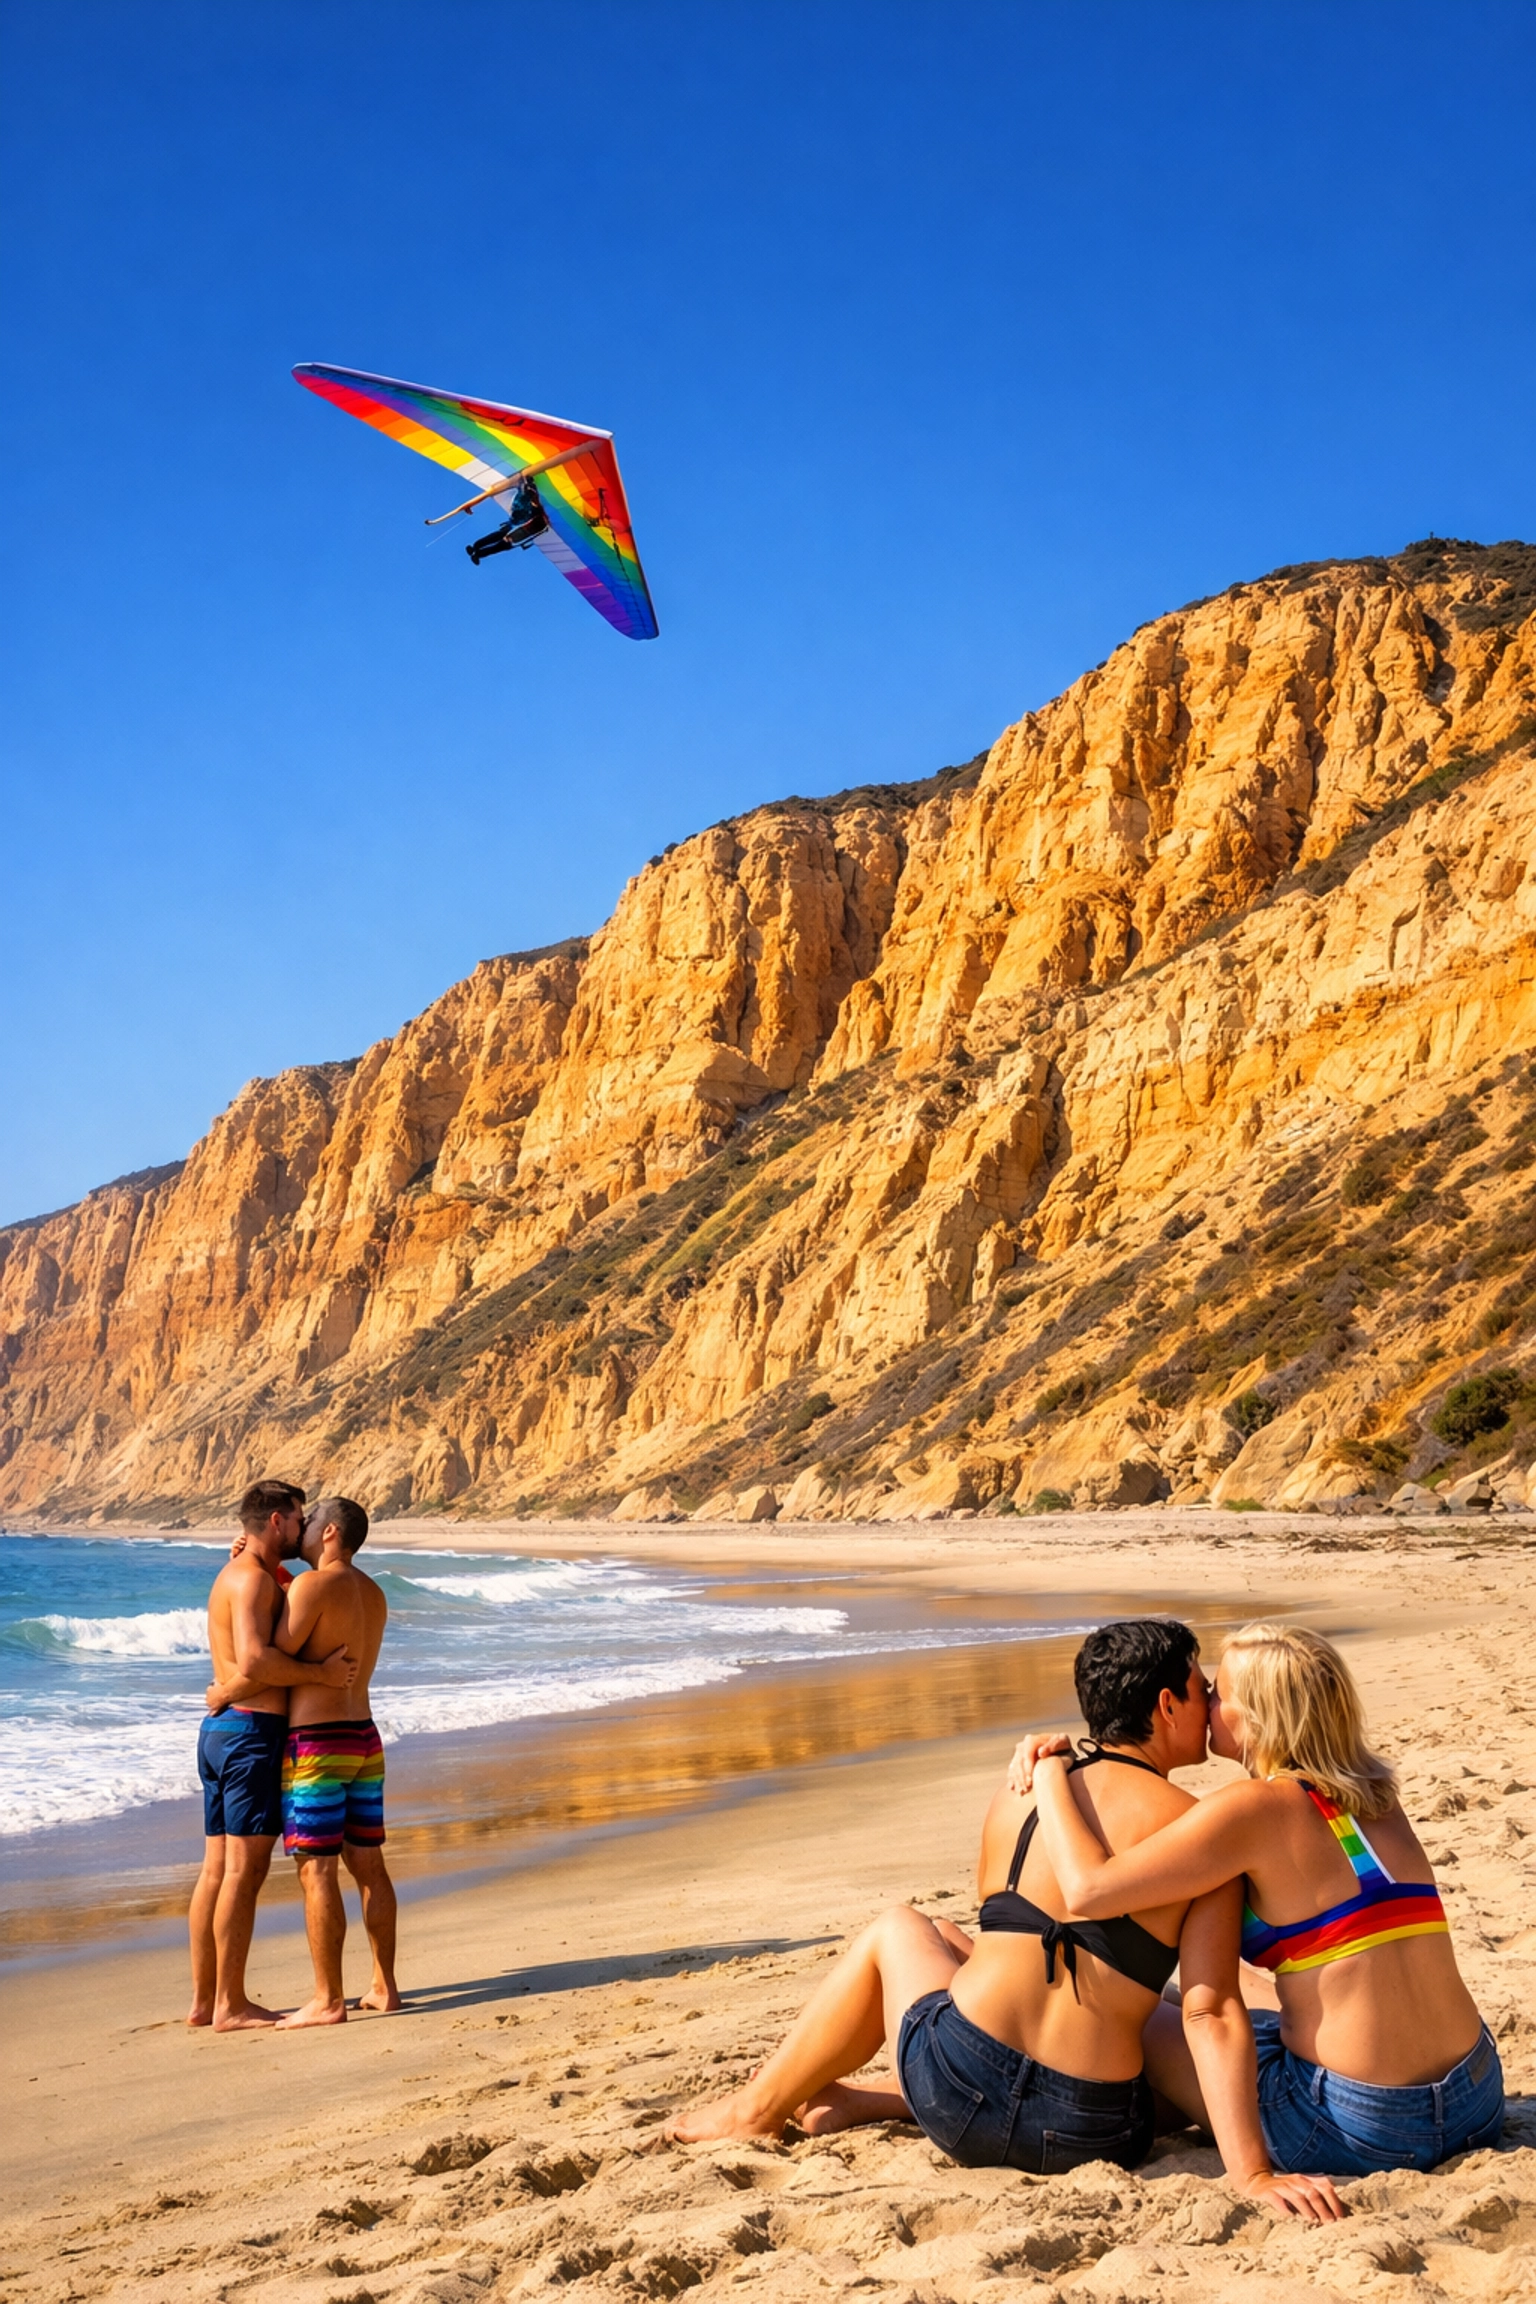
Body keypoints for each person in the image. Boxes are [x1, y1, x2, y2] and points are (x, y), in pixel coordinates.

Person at [669, 1621, 1331, 2206]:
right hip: (1091, 2133)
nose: (1212, 1702)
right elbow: (1210, 2009)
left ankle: (759, 2107)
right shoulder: (1200, 1834)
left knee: (904, 1930)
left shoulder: (1017, 1792)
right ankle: (834, 2101)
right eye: (1203, 1689)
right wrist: (1251, 2174)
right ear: (1165, 1704)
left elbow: (1019, 1939)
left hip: (954, 2097)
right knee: (1143, 2022)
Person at [1016, 1621, 1503, 2184]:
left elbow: (1089, 1889)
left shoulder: (1252, 1808)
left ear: (1259, 1717)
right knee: (1231, 1997)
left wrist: (1053, 1772)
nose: (1206, 1699)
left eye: (1220, 1693)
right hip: (1475, 2096)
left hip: (1365, 2126)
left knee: (1135, 2019)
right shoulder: (1375, 1799)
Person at [212, 1496, 396, 2026]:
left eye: (310, 1522)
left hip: (318, 1743)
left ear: (331, 1531)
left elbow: (269, 1656)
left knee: (316, 1870)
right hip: (364, 1736)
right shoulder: (374, 1592)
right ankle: (385, 1986)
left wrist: (223, 1693)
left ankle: (328, 1999)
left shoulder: (313, 1587)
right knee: (370, 1867)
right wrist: (272, 1567)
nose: (303, 1530)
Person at [188, 1480, 355, 2031]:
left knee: (216, 1870)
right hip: (251, 1734)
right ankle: (231, 2006)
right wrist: (320, 1674)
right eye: (298, 1519)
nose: (303, 1529)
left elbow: (251, 1645)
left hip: (219, 1734)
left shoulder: (237, 1575)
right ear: (279, 1521)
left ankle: (206, 2001)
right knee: (244, 1869)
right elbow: (258, 1661)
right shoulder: (256, 1579)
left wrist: (225, 1693)